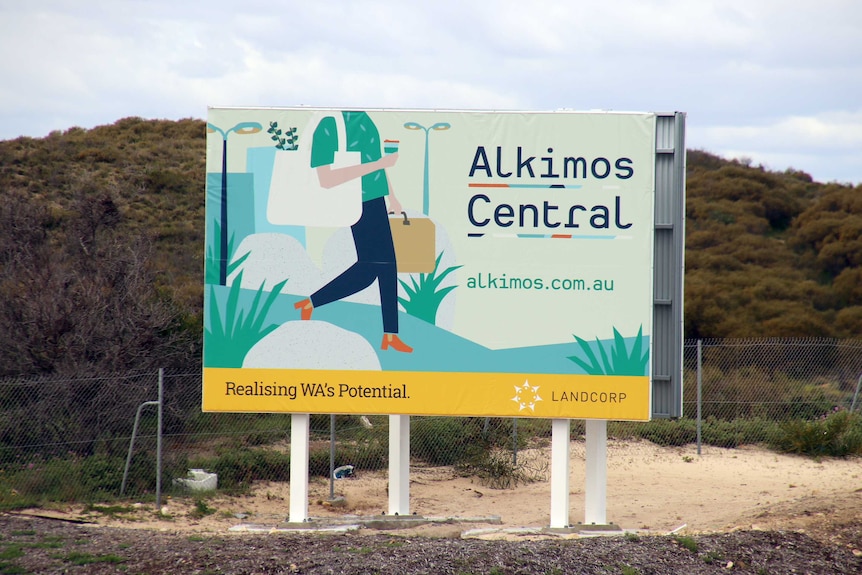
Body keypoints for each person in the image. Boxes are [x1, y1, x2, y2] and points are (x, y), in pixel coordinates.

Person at [293, 111, 412, 353]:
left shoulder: (365, 119)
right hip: (355, 201)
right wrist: (379, 165)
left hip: (376, 199)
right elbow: (326, 179)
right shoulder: (329, 125)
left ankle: (389, 334)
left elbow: (378, 160)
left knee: (384, 265)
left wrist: (392, 195)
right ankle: (311, 302)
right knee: (373, 267)